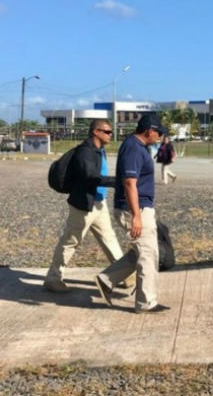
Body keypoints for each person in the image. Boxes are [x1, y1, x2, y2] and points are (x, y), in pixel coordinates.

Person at [94, 114, 170, 313]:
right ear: (149, 131)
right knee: (148, 254)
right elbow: (129, 183)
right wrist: (136, 215)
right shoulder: (133, 148)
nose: (160, 136)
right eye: (158, 132)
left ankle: (106, 280)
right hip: (134, 209)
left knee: (140, 252)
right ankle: (146, 302)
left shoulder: (138, 147)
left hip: (140, 208)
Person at [44, 119, 128, 293]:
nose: (111, 135)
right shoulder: (86, 151)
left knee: (109, 239)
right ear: (96, 132)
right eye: (107, 131)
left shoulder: (99, 150)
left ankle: (124, 275)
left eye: (111, 132)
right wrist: (118, 182)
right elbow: (89, 177)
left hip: (99, 203)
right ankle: (53, 278)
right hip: (83, 205)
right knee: (71, 241)